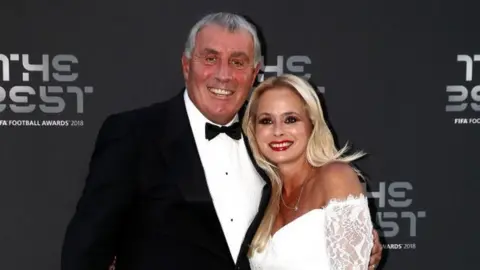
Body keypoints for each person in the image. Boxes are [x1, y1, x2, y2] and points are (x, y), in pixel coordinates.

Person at [61, 12, 382, 270]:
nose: (223, 75)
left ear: (255, 72)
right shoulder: (133, 133)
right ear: (187, 65)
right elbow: (86, 249)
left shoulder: (266, 149)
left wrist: (356, 242)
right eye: (210, 58)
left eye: (238, 62)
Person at [243, 74, 375, 269]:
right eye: (266, 121)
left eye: (290, 119)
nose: (278, 131)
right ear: (253, 129)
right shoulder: (261, 196)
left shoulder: (335, 177)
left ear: (312, 124)